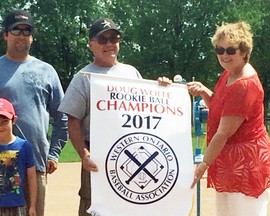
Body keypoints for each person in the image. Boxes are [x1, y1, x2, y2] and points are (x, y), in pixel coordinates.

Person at [58, 18, 171, 215]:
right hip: (97, 156)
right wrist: (84, 155)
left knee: (129, 206)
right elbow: (73, 122)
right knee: (92, 206)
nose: (109, 44)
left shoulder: (132, 72)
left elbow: (148, 109)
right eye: (102, 39)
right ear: (91, 44)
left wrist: (162, 89)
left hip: (132, 151)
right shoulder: (83, 77)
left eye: (114, 37)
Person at [188, 21, 270, 216]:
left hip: (246, 166)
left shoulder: (243, 85)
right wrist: (205, 92)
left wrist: (203, 164)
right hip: (229, 164)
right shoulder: (229, 74)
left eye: (230, 50)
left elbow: (223, 132)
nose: (224, 55)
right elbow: (222, 110)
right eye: (219, 50)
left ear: (244, 51)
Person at [0, 9, 68, 216]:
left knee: (33, 213)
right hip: (0, 162)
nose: (21, 35)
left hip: (35, 163)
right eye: (16, 30)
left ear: (32, 36)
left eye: (26, 30)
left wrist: (54, 153)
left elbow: (62, 115)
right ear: (5, 34)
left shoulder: (46, 71)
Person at [0, 98, 37, 216]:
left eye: (4, 121)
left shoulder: (24, 146)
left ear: (13, 120)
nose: (0, 127)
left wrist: (32, 206)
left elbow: (31, 178)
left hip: (17, 204)